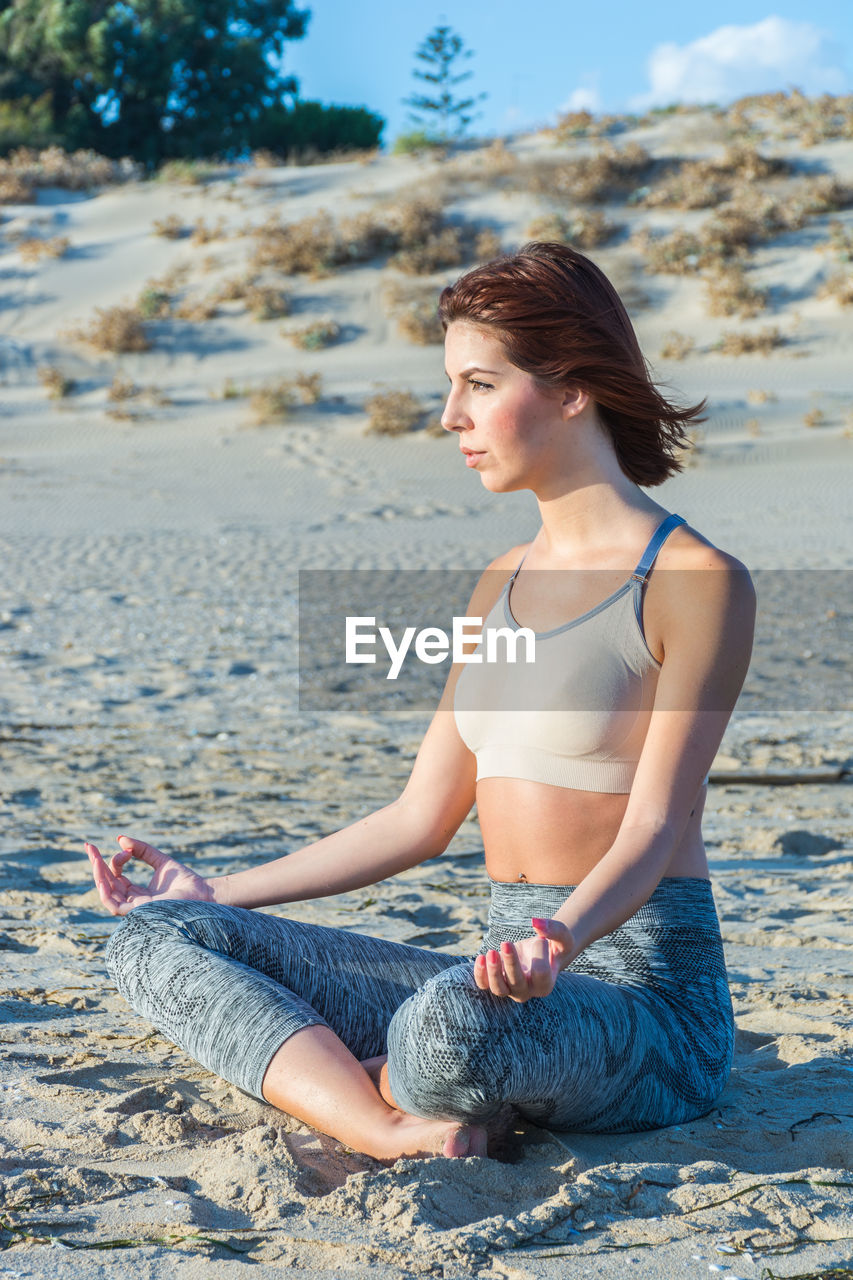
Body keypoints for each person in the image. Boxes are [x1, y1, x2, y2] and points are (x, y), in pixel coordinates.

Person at [86, 242, 756, 1163]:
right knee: (157, 936)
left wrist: (555, 940)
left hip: (644, 1009)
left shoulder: (692, 581)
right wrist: (219, 891)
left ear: (571, 388)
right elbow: (417, 818)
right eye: (452, 386)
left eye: (479, 385)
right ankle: (383, 1120)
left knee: (448, 1027)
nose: (451, 416)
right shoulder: (496, 584)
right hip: (502, 974)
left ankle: (357, 1081)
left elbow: (651, 830)